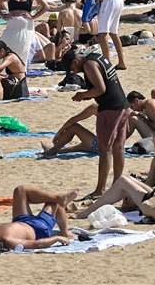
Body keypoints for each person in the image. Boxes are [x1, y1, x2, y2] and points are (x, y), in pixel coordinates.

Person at [62, 48, 129, 198]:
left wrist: (83, 95)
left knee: (105, 150)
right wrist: (88, 95)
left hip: (110, 109)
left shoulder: (88, 65)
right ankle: (117, 185)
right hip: (122, 106)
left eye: (72, 68)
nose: (74, 71)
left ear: (75, 61)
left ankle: (100, 190)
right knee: (118, 148)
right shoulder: (97, 56)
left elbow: (100, 88)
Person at [0, 185, 76, 250]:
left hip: (21, 220)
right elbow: (37, 244)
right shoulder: (8, 240)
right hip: (38, 228)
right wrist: (57, 238)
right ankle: (65, 231)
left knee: (20, 190)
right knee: (54, 203)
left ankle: (59, 198)